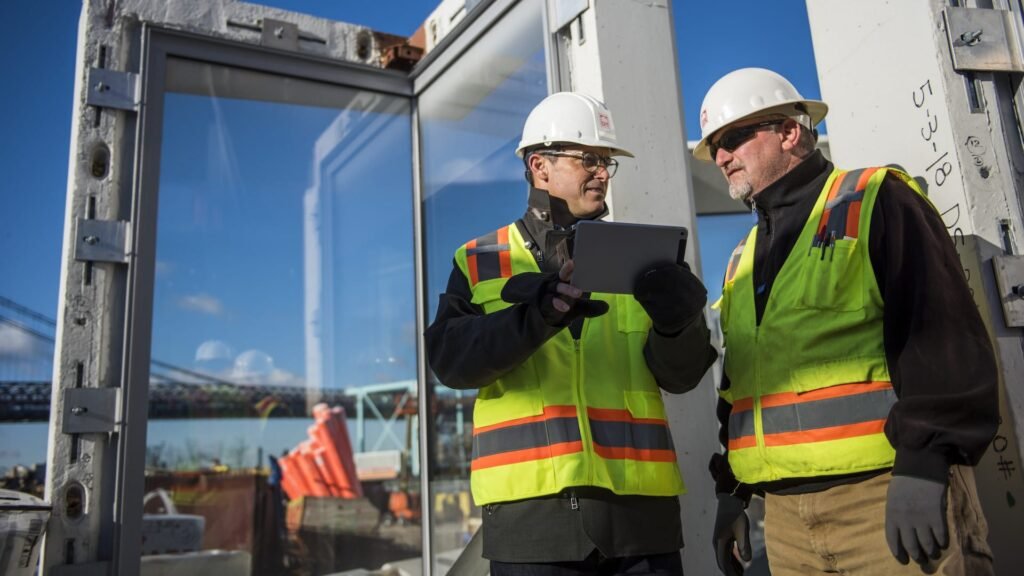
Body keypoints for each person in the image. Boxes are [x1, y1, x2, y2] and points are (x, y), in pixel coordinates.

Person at [693, 67, 998, 575]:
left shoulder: (876, 199)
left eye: (733, 139)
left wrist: (924, 462)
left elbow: (942, 334)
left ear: (790, 132)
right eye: (716, 147)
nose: (722, 158)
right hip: (786, 521)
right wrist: (733, 491)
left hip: (884, 496)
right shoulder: (742, 259)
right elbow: (741, 387)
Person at [426, 92, 717, 575]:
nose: (602, 173)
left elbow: (681, 377)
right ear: (540, 166)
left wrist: (681, 324)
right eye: (590, 159)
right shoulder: (479, 261)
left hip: (642, 529)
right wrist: (535, 318)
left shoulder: (642, 258)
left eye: (606, 162)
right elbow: (450, 362)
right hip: (531, 530)